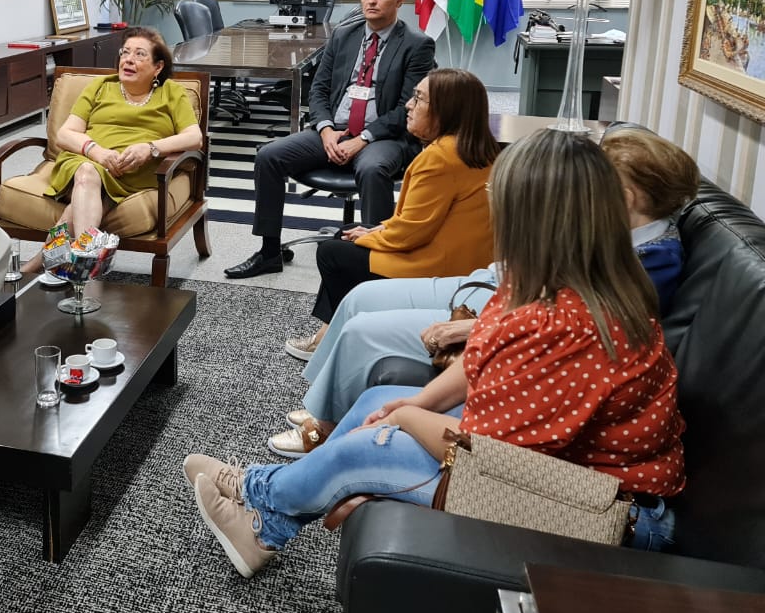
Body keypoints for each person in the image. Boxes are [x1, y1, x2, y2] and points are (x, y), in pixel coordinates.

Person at [185, 129, 685, 578]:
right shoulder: (555, 280)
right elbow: (480, 365)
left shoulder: (570, 323)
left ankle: (260, 496)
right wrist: (415, 404)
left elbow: (480, 455)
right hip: (560, 470)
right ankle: (266, 520)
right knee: (376, 401)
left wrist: (406, 418)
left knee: (371, 444)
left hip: (608, 510)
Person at [287, 125, 700, 438]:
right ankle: (326, 406)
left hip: (498, 310)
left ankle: (323, 427)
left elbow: (565, 322)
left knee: (362, 331)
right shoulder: (620, 236)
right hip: (498, 292)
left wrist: (473, 327)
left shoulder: (650, 263)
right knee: (361, 297)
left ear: (624, 198)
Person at [279, 68, 497, 376]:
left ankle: (336, 338)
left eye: (418, 99)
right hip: (465, 260)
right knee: (347, 234)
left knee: (333, 252)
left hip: (438, 267)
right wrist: (375, 230)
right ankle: (329, 332)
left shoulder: (440, 158)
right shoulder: (478, 148)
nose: (408, 105)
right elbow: (421, 221)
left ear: (445, 110)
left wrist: (369, 236)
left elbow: (409, 234)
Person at [225, 0, 434, 280]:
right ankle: (269, 253)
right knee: (269, 156)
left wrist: (362, 139)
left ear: (399, 0)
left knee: (372, 169)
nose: (371, 1)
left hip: (383, 137)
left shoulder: (417, 44)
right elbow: (319, 89)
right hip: (335, 129)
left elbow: (406, 108)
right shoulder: (343, 35)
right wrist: (325, 130)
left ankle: (377, 261)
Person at [20, 27, 203, 273]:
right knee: (88, 173)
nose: (128, 59)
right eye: (125, 52)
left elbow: (194, 137)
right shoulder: (100, 87)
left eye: (139, 54)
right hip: (85, 162)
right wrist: (96, 152)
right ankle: (87, 260)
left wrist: (150, 148)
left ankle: (39, 266)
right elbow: (65, 134)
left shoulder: (172, 93)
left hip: (134, 172)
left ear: (158, 67)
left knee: (81, 203)